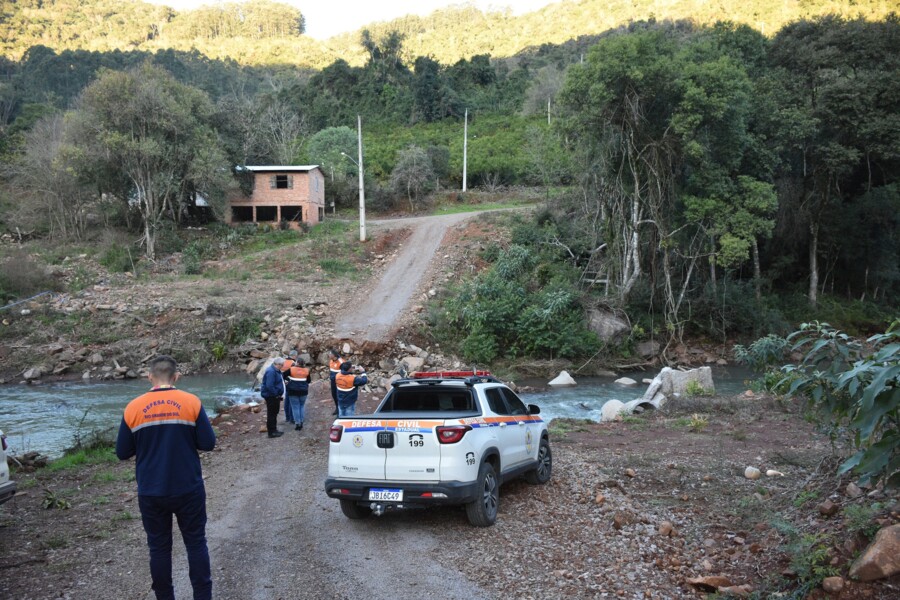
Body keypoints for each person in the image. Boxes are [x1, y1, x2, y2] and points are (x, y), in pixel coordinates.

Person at [115, 355, 216, 600]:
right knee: (195, 542)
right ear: (176, 377)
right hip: (188, 487)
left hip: (151, 489)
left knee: (159, 548)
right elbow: (207, 443)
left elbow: (122, 452)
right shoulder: (191, 402)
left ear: (149, 376)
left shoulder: (133, 407)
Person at [260, 357, 286, 438]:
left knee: (274, 413)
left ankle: (274, 430)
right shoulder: (271, 371)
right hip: (271, 396)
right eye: (282, 365)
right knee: (272, 414)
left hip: (274, 396)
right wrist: (276, 395)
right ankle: (271, 432)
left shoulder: (276, 370)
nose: (282, 366)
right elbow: (269, 386)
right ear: (278, 364)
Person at [285, 357, 312, 431]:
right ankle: (301, 422)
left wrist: (288, 381)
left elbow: (283, 375)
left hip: (293, 391)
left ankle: (297, 423)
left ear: (297, 363)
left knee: (295, 407)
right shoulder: (306, 370)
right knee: (302, 406)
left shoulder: (291, 369)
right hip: (303, 391)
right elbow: (309, 381)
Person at [281, 350, 297, 424]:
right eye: (296, 356)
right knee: (291, 401)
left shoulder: (283, 362)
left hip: (284, 383)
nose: (296, 357)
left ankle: (287, 417)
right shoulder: (293, 363)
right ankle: (291, 418)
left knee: (286, 401)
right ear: (294, 355)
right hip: (291, 383)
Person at [327, 349, 343, 416]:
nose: (329, 355)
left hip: (339, 383)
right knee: (334, 395)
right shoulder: (331, 361)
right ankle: (337, 408)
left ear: (334, 355)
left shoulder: (341, 362)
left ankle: (340, 412)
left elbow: (345, 372)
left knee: (339, 396)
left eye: (330, 354)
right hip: (333, 382)